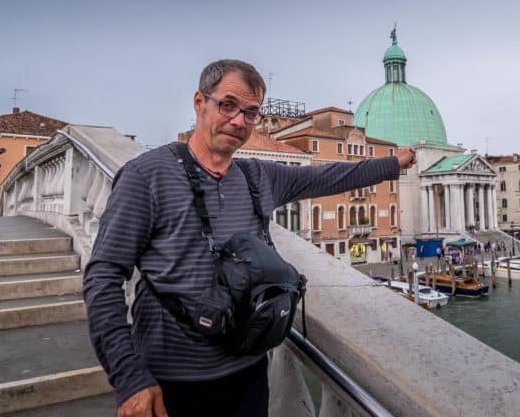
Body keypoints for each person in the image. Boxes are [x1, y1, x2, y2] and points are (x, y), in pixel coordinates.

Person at [82, 59, 417, 417]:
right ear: (200, 102)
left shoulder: (258, 176)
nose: (239, 121)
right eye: (227, 105)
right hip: (170, 382)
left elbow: (329, 177)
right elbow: (102, 277)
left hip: (248, 375)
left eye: (251, 112)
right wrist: (129, 376)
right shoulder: (146, 176)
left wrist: (392, 164)